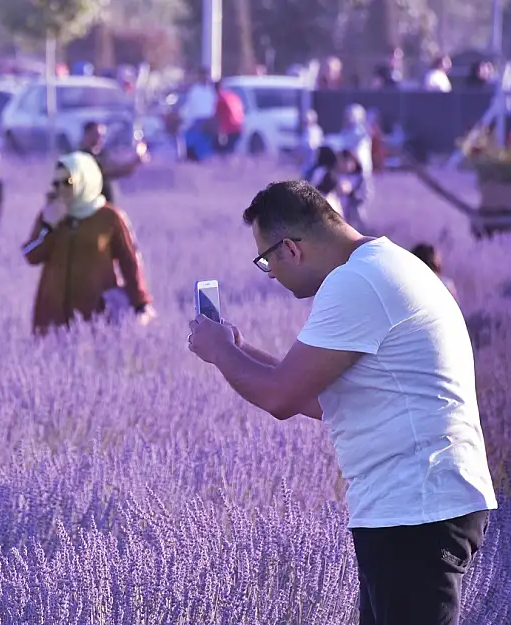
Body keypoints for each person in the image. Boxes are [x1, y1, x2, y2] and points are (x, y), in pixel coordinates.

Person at [187, 180, 497, 625]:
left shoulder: (358, 283)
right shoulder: (383, 264)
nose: (270, 274)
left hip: (416, 511)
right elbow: (317, 397)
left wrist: (219, 352)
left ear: (290, 249)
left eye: (265, 260)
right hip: (416, 507)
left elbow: (280, 397)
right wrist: (239, 348)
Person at [22, 151, 154, 334]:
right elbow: (30, 255)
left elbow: (130, 262)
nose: (61, 189)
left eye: (67, 182)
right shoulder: (50, 213)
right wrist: (48, 227)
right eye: (56, 183)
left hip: (96, 313)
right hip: (53, 314)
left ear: (84, 179)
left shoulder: (110, 217)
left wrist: (140, 303)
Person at [78, 121, 145, 206]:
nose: (100, 139)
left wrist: (134, 163)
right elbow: (108, 171)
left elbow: (118, 168)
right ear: (87, 134)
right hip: (91, 208)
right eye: (96, 135)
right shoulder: (82, 156)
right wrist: (134, 162)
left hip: (106, 207)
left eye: (101, 136)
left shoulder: (102, 154)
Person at [213, 79, 244, 156]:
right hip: (238, 126)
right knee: (231, 150)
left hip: (229, 129)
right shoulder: (232, 96)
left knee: (224, 152)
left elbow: (217, 117)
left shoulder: (221, 100)